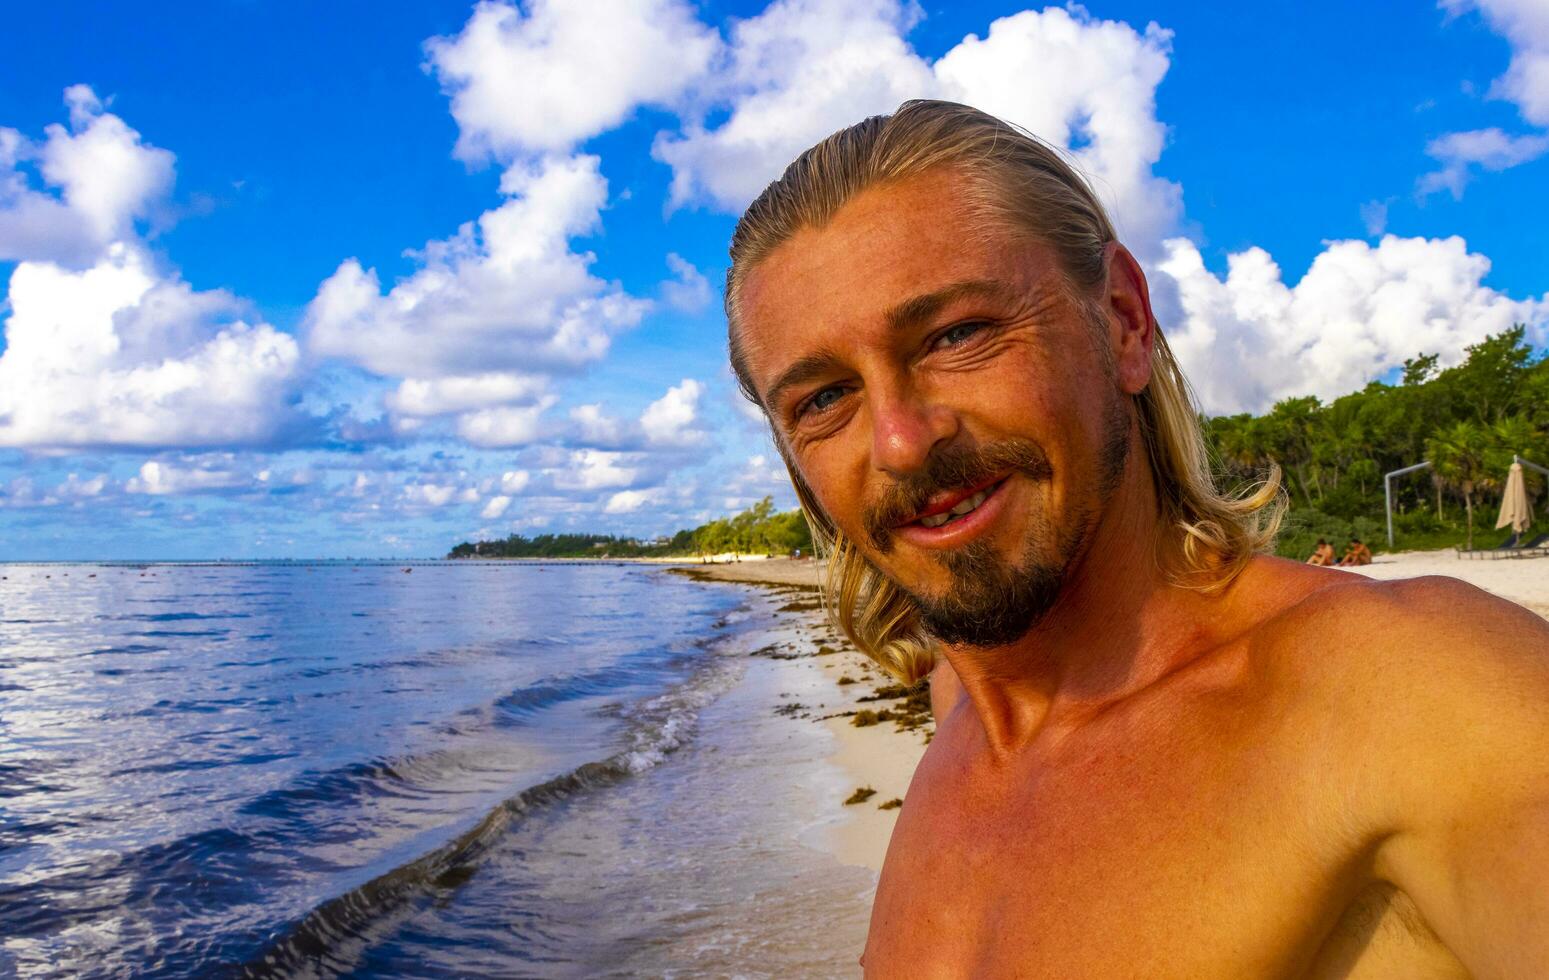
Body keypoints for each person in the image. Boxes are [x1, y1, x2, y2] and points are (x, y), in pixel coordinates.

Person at [724, 100, 1549, 976]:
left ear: (1121, 320)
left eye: (956, 335)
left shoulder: (1416, 693)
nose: (899, 441)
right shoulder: (957, 707)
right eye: (821, 399)